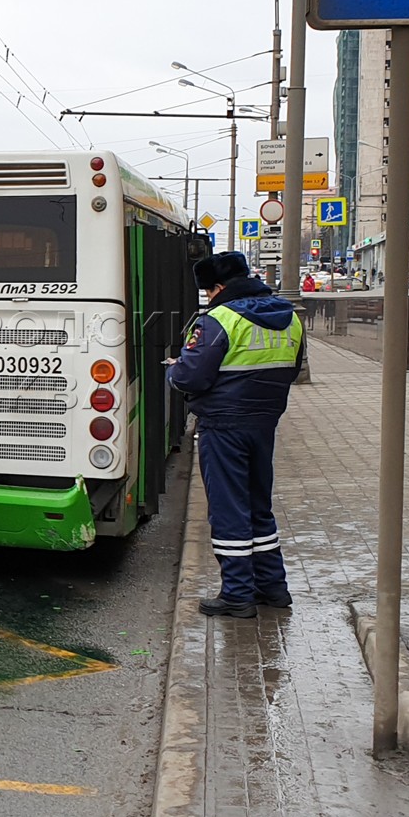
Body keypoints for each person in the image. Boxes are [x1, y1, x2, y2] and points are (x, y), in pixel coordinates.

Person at [168, 250, 306, 618]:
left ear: (218, 287)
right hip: (264, 423)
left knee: (229, 510)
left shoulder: (219, 319)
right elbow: (292, 368)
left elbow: (190, 377)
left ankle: (237, 595)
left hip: (224, 425)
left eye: (208, 292)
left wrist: (174, 369)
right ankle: (273, 588)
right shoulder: (290, 317)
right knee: (258, 506)